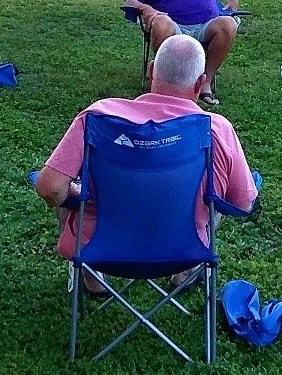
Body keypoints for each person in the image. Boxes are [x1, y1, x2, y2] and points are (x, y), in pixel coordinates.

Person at [34, 35, 258, 286]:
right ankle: (185, 273)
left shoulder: (98, 117)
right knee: (214, 196)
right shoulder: (216, 129)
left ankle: (92, 278)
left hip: (99, 249)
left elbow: (49, 187)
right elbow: (242, 204)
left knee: (67, 187)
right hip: (182, 252)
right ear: (200, 83)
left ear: (151, 70)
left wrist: (75, 192)